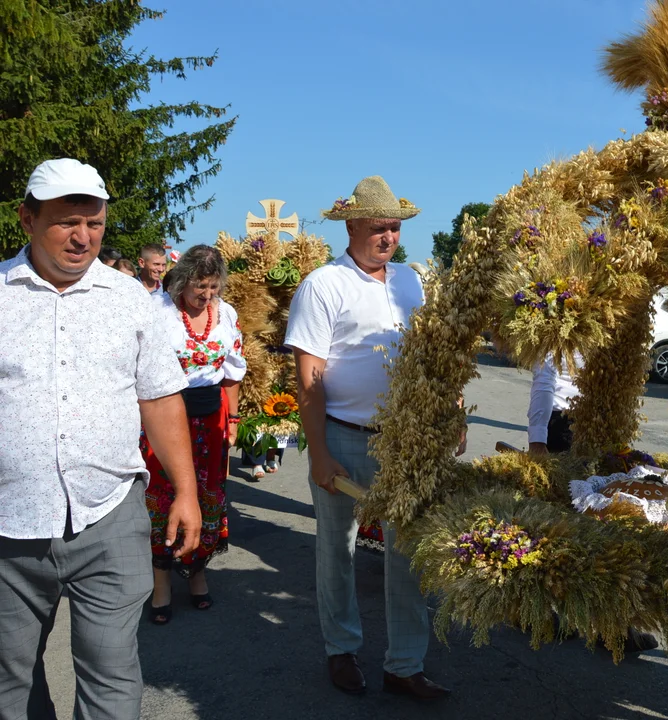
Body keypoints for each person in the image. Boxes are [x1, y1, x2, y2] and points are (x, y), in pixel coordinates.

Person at [0, 158, 199, 720]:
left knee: (112, 673)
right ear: (27, 220)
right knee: (9, 680)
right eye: (67, 222)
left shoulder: (130, 299)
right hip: (8, 525)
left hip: (108, 515)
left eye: (95, 223)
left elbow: (160, 399)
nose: (83, 237)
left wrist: (185, 491)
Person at [285, 176, 459, 700]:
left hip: (405, 440)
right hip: (343, 436)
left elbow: (433, 355)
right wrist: (319, 453)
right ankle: (341, 650)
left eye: (395, 227)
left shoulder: (411, 281)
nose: (388, 237)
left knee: (409, 554)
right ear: (352, 225)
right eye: (379, 227)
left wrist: (451, 412)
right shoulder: (323, 285)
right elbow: (309, 377)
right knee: (337, 550)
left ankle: (404, 664)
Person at [140, 245, 246, 624]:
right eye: (200, 286)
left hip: (210, 418)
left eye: (213, 287)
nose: (206, 295)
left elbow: (233, 373)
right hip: (166, 416)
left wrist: (232, 421)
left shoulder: (227, 314)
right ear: (182, 281)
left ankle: (197, 573)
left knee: (208, 496)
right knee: (163, 497)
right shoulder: (158, 313)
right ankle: (161, 581)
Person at [527, 353, 659, 654]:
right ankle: (538, 613)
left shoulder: (620, 323)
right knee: (561, 525)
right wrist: (538, 439)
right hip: (563, 426)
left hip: (603, 426)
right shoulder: (566, 314)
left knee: (611, 523)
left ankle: (613, 625)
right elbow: (545, 378)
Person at [527, 354, 581, 455]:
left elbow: (543, 383)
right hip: (563, 423)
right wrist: (537, 440)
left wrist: (537, 439)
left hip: (593, 422)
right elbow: (544, 383)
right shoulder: (553, 343)